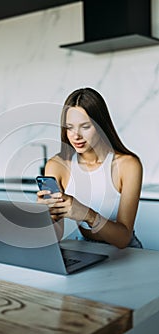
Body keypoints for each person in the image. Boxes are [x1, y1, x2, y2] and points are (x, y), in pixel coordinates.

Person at [37, 87, 143, 249]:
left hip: (127, 252)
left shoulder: (127, 165)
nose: (76, 135)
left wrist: (88, 215)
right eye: (69, 127)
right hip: (87, 248)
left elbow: (123, 239)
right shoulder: (56, 166)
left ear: (101, 126)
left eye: (85, 126)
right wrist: (47, 216)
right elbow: (55, 237)